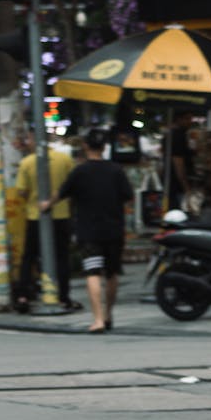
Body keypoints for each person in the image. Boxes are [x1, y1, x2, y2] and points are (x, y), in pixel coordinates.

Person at [41, 128, 133, 333]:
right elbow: (128, 196)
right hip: (114, 229)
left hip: (89, 231)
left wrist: (47, 204)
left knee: (92, 273)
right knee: (112, 274)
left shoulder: (79, 171)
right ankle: (109, 314)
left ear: (85, 146)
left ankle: (98, 319)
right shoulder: (116, 170)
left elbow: (61, 193)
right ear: (105, 147)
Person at [13, 130, 78, 313]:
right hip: (61, 215)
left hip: (35, 216)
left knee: (29, 257)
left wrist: (33, 199)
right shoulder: (64, 160)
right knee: (62, 257)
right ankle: (64, 296)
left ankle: (23, 295)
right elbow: (72, 186)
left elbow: (21, 191)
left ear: (33, 140)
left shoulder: (27, 163)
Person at [164, 112, 195, 210]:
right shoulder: (178, 135)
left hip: (170, 183)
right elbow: (178, 162)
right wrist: (186, 187)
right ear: (179, 119)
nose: (190, 122)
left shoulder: (169, 134)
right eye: (187, 119)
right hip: (177, 186)